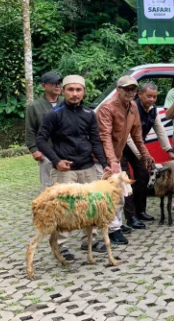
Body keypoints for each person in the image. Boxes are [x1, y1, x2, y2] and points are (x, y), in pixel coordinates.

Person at [36, 75, 111, 255]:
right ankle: (61, 246)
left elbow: (95, 140)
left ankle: (89, 242)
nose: (75, 94)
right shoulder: (54, 114)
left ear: (84, 92)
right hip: (65, 170)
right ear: (63, 91)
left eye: (78, 90)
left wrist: (105, 163)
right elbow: (41, 140)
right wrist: (56, 161)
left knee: (91, 206)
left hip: (87, 167)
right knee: (64, 208)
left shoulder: (89, 114)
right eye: (71, 90)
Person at [96, 75, 154, 245]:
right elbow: (104, 136)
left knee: (121, 194)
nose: (130, 92)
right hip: (102, 159)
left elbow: (137, 135)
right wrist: (112, 161)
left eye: (133, 89)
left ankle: (117, 225)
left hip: (116, 156)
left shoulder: (133, 106)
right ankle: (112, 231)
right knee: (108, 195)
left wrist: (145, 154)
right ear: (118, 90)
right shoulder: (107, 108)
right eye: (127, 89)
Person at [124, 82, 174, 228]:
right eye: (149, 96)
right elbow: (127, 136)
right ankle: (131, 216)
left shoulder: (153, 110)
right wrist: (142, 155)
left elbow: (160, 130)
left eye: (154, 97)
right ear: (140, 94)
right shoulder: (132, 108)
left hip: (139, 147)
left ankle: (141, 211)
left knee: (143, 177)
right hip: (122, 147)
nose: (152, 100)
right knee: (126, 182)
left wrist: (169, 150)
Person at [25, 71, 63, 190]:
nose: (57, 86)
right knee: (48, 186)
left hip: (66, 150)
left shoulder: (65, 102)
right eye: (53, 83)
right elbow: (30, 129)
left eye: (59, 83)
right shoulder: (34, 106)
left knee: (66, 185)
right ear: (44, 86)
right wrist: (34, 149)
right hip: (46, 151)